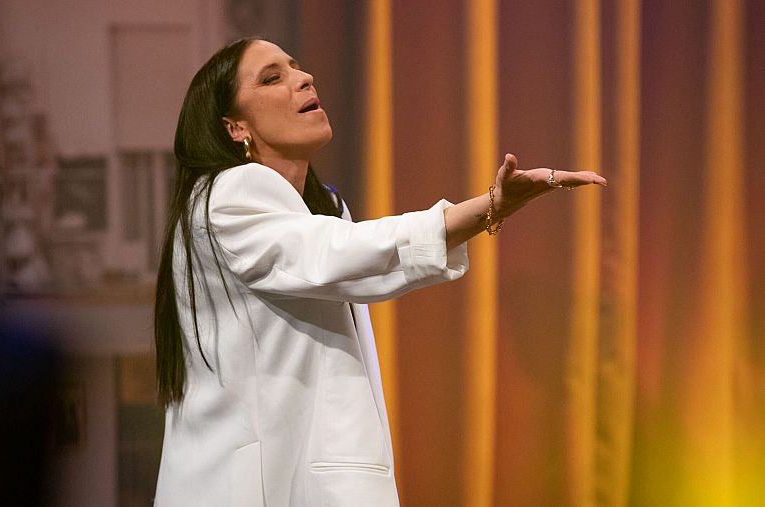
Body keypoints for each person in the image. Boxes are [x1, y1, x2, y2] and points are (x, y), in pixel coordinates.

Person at [153, 37, 606, 506]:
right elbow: (337, 254)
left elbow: (346, 257)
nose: (303, 78)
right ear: (234, 126)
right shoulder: (228, 194)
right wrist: (487, 207)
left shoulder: (324, 207)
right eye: (273, 78)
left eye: (296, 67)